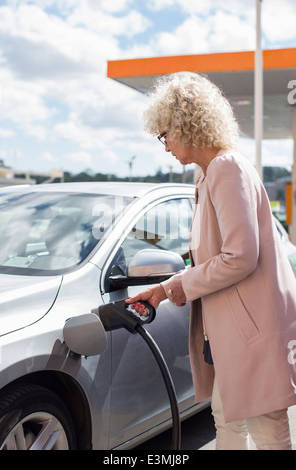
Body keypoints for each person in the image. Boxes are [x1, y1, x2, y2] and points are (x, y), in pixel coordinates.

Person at [126, 72, 296, 450]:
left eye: (165, 133)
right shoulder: (209, 175)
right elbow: (217, 254)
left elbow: (239, 257)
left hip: (250, 334)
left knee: (268, 437)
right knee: (227, 425)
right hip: (232, 335)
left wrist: (174, 286)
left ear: (186, 125)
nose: (165, 146)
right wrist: (163, 290)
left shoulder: (225, 168)